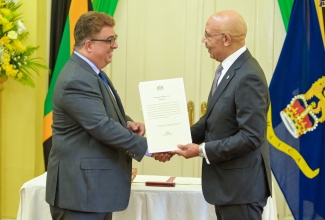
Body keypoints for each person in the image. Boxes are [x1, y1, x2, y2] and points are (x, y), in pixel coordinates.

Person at [45, 11, 171, 220]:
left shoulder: (91, 73)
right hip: (80, 195)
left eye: (115, 39)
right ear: (88, 45)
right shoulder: (76, 79)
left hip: (92, 192)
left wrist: (127, 123)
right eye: (109, 40)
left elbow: (98, 115)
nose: (115, 45)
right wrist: (151, 148)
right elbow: (102, 126)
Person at [174, 10, 272, 220]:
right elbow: (211, 121)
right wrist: (173, 140)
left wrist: (201, 150)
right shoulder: (228, 69)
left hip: (241, 190)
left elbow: (251, 137)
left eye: (208, 35)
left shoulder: (248, 76)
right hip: (230, 188)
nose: (204, 40)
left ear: (226, 39)